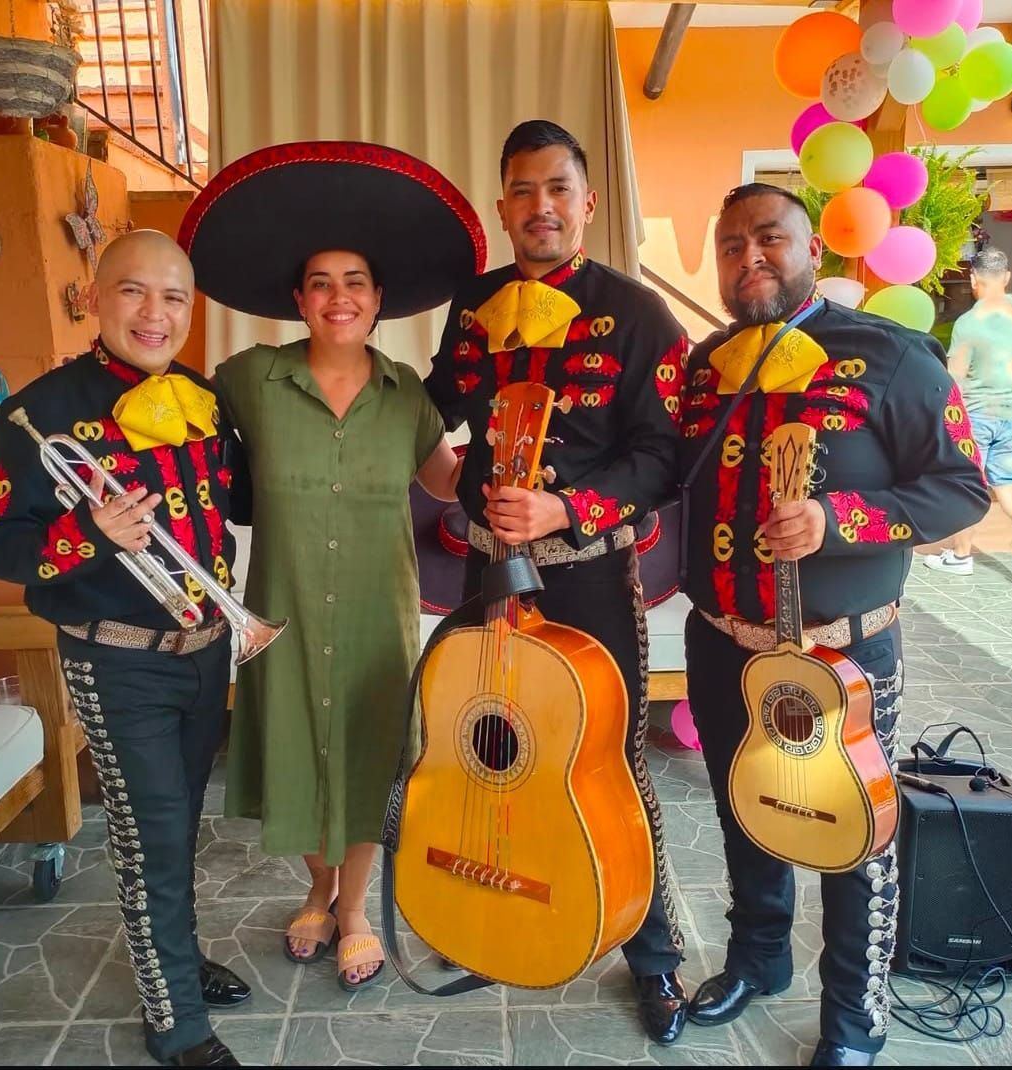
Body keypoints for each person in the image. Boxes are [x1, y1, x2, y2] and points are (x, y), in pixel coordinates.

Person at [674, 184, 990, 1067]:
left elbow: (963, 487)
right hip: (722, 639)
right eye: (730, 245)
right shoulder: (709, 365)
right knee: (746, 807)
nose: (749, 258)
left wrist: (837, 518)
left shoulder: (892, 356)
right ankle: (758, 958)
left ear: (812, 248)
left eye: (768, 238)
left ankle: (854, 1016)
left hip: (844, 650)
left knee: (855, 834)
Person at [178, 142, 482, 993]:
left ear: (378, 299)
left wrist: (509, 451)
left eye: (355, 282)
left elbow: (446, 483)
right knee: (291, 745)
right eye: (320, 282)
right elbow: (186, 452)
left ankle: (353, 908)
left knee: (371, 752)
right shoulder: (248, 379)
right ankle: (319, 884)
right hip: (282, 605)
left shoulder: (407, 393)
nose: (338, 295)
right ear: (299, 299)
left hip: (378, 613)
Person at [424, 119, 690, 1046]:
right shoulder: (474, 304)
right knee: (494, 740)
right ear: (502, 208)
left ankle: (653, 954)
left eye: (558, 188)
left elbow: (664, 455)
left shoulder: (639, 313)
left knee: (609, 759)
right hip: (488, 570)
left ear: (587, 202)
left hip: (589, 574)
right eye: (523, 190)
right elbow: (437, 404)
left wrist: (566, 508)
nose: (541, 206)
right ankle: (495, 904)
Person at [0, 230, 254, 1068]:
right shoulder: (38, 413)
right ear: (96, 299)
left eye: (173, 296)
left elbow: (239, 500)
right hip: (116, 658)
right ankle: (176, 1023)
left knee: (180, 824)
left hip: (206, 647)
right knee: (148, 837)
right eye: (134, 291)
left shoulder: (205, 399)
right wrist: (87, 533)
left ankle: (178, 964)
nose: (154, 313)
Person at [924, 247, 1012, 577]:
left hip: (977, 416)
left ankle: (961, 557)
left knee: (967, 485)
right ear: (1008, 277)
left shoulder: (969, 323)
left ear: (973, 279)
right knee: (1007, 481)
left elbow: (955, 377)